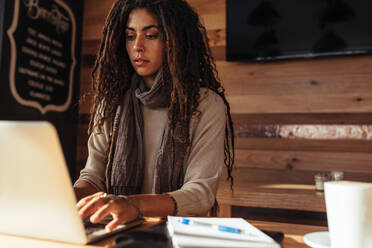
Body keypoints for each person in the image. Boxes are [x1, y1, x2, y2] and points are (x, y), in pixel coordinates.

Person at [74, 0, 234, 232]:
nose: (137, 46)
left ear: (174, 40)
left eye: (151, 35)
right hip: (113, 230)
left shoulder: (206, 105)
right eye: (130, 36)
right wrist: (70, 196)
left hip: (176, 234)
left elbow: (200, 193)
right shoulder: (112, 102)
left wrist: (134, 204)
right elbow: (93, 176)